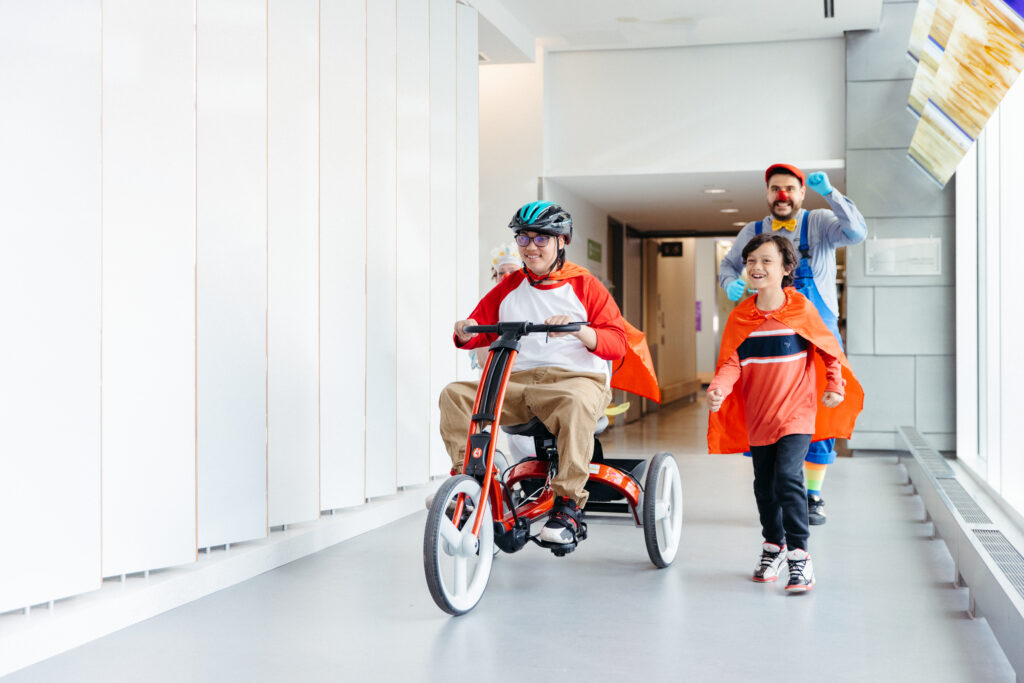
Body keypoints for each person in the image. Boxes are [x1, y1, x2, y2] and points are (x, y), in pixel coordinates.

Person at [438, 201, 626, 546]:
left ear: (562, 241)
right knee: (455, 394)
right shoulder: (510, 286)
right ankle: (472, 483)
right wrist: (464, 330)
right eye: (523, 238)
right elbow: (477, 330)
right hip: (519, 383)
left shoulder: (584, 285)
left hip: (575, 381)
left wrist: (579, 330)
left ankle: (568, 505)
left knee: (575, 402)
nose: (530, 247)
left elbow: (617, 343)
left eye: (541, 239)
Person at [707, 234, 863, 592]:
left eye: (766, 261)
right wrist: (719, 388)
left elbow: (827, 349)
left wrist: (834, 384)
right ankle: (773, 546)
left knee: (789, 478)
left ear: (786, 268)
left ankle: (800, 555)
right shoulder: (740, 316)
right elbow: (731, 361)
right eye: (751, 261)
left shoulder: (800, 309)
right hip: (759, 417)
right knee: (764, 485)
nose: (756, 267)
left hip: (797, 413)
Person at [718, 163, 867, 525]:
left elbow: (856, 232)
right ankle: (774, 489)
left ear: (801, 193)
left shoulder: (820, 222)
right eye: (774, 188)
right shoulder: (754, 231)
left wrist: (831, 194)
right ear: (767, 193)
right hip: (768, 334)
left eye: (789, 188)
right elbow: (728, 265)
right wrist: (729, 283)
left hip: (817, 332)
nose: (781, 195)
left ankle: (811, 495)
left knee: (820, 411)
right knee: (764, 407)